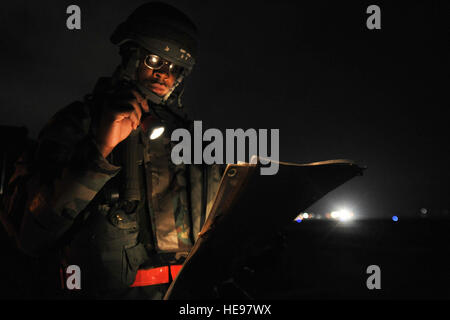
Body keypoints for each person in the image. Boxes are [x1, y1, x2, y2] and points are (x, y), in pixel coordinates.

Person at [10, 2, 223, 299]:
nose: (164, 74)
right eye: (153, 60)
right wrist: (101, 149)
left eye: (174, 68)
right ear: (131, 56)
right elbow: (31, 235)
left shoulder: (191, 139)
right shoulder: (81, 121)